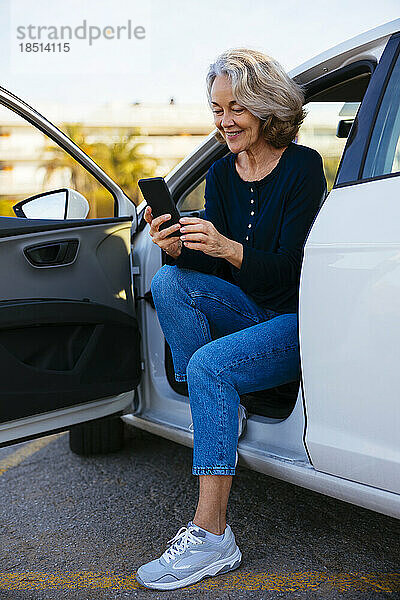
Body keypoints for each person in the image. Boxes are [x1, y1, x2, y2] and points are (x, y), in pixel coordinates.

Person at [135, 47, 327, 591]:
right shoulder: (221, 174)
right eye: (217, 109)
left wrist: (228, 248)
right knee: (168, 280)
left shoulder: (303, 167)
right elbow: (211, 263)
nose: (224, 122)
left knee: (210, 367)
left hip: (293, 323)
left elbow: (289, 270)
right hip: (246, 313)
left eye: (236, 108)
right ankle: (221, 403)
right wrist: (176, 246)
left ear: (267, 108)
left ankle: (213, 535)